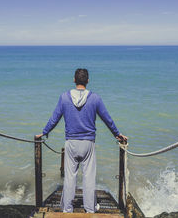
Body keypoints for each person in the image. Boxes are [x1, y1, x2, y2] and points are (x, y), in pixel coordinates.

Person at [35, 68, 128, 213]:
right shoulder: (95, 98)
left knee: (69, 178)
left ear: (74, 80)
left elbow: (55, 118)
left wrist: (44, 132)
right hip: (88, 143)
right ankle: (90, 209)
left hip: (71, 143)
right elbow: (107, 119)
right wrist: (117, 134)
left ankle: (67, 208)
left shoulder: (64, 97)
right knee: (89, 177)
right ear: (88, 81)